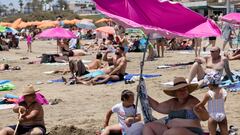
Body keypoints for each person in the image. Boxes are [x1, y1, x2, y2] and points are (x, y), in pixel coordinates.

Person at [143, 77, 209, 135]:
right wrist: (143, 94)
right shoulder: (172, 102)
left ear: (188, 90)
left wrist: (201, 112)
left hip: (191, 131)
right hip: (170, 130)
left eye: (185, 89)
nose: (182, 91)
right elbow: (157, 106)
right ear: (175, 92)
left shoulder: (193, 101)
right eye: (179, 90)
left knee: (170, 133)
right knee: (148, 127)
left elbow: (205, 117)